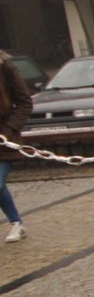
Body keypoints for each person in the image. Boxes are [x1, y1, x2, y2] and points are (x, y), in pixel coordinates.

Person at [0, 51, 32, 243]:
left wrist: (8, 130)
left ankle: (16, 224)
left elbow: (24, 103)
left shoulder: (7, 69)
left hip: (3, 140)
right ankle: (16, 222)